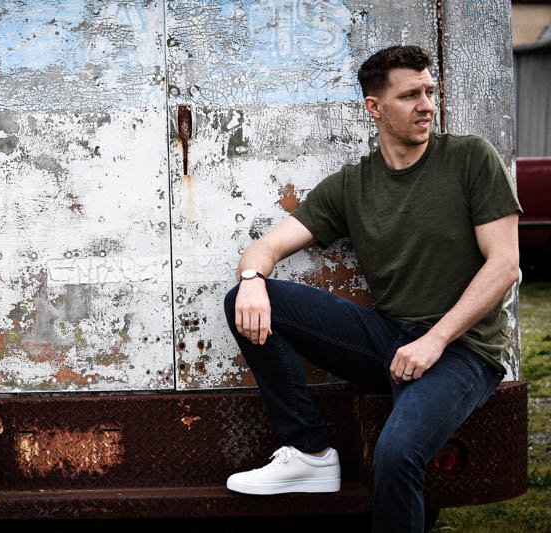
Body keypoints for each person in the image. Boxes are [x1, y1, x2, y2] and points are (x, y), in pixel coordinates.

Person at [223, 44, 522, 532]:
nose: (427, 104)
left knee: (398, 453)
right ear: (374, 108)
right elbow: (266, 247)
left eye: (429, 91)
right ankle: (310, 453)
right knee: (244, 299)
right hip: (388, 338)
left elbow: (505, 265)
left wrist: (435, 341)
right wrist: (254, 279)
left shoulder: (469, 159)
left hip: (464, 350)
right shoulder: (352, 186)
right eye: (410, 96)